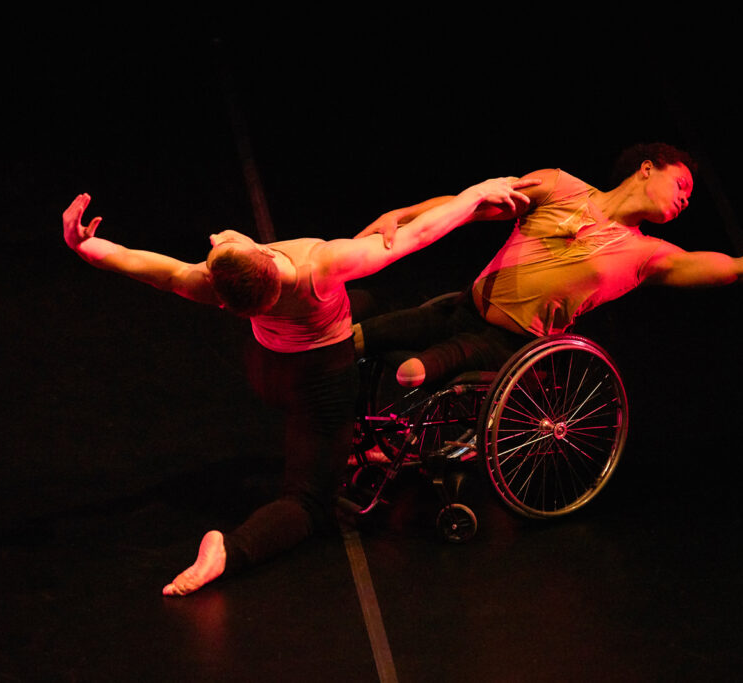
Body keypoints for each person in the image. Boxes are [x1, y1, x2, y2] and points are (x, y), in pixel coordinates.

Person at [61, 176, 538, 596]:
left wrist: (85, 247)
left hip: (270, 369)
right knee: (309, 502)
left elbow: (148, 267)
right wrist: (476, 194)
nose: (217, 237)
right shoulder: (321, 266)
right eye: (223, 245)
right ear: (264, 256)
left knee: (368, 303)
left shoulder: (208, 285)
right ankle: (229, 552)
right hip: (320, 381)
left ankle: (352, 436)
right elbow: (416, 236)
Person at [354, 144, 743, 387]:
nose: (686, 200)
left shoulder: (650, 256)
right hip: (461, 309)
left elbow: (741, 269)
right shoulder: (560, 186)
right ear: (647, 168)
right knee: (355, 336)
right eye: (681, 186)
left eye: (688, 198)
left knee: (413, 372)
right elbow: (472, 206)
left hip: (507, 345)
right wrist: (403, 214)